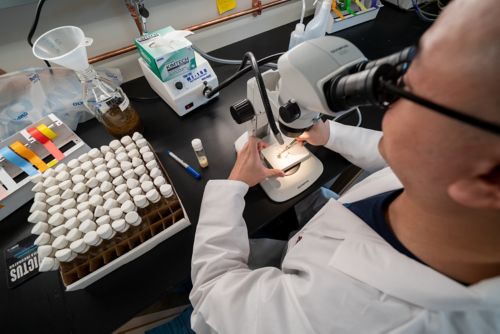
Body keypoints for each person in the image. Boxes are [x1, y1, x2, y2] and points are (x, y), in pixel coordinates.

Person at [189, 0, 500, 332]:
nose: (388, 90)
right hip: (316, 239)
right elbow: (397, 162)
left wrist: (232, 186)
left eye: (414, 84)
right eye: (409, 60)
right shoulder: (458, 190)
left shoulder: (333, 313)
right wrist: (328, 133)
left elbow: (212, 293)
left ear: (489, 178)